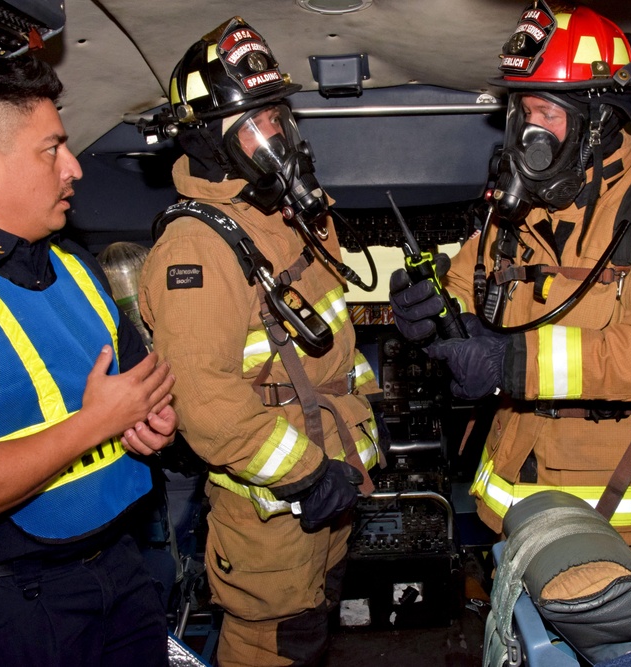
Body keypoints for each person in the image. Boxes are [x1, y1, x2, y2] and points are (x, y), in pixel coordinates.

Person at [390, 0, 631, 631]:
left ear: (598, 122)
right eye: (521, 111)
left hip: (614, 521)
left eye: (545, 111)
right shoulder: (518, 217)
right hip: (517, 513)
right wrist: (430, 312)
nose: (526, 131)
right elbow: (466, 283)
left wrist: (512, 361)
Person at [137, 17, 382, 667]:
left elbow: (331, 343)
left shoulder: (288, 214)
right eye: (255, 122)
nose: (276, 135)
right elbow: (204, 401)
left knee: (316, 627)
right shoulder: (196, 246)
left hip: (332, 481)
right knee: (275, 644)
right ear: (208, 141)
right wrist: (305, 475)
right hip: (274, 507)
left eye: (278, 116)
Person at [0, 57, 178, 666]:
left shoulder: (77, 266)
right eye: (52, 149)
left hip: (123, 569)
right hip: (20, 605)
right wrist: (98, 423)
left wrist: (153, 425)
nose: (73, 169)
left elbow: (138, 394)